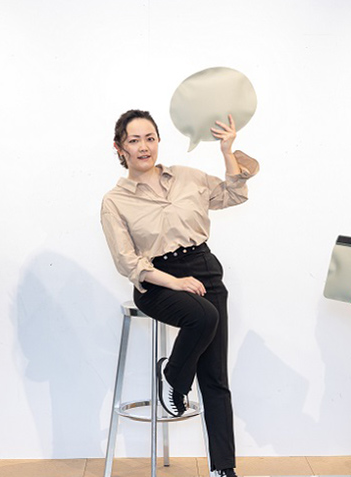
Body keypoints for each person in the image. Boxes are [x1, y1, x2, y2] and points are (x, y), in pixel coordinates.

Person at [101, 109, 258, 477]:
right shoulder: (115, 201)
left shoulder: (188, 177)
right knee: (204, 316)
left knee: (215, 377)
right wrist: (174, 282)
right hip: (156, 281)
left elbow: (233, 194)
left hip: (204, 268)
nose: (144, 147)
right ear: (119, 148)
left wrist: (227, 151)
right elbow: (127, 262)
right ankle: (173, 376)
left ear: (158, 141)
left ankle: (223, 470)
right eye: (134, 140)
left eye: (150, 138)